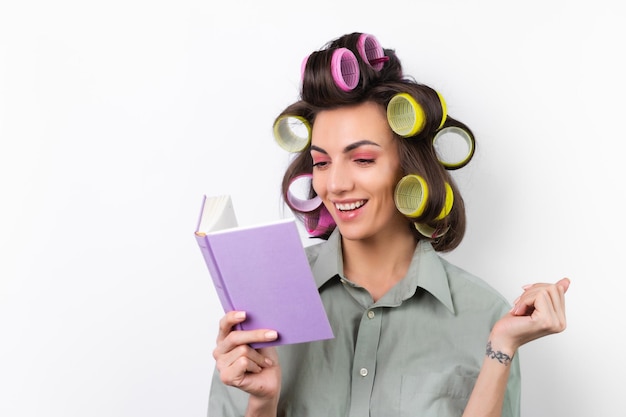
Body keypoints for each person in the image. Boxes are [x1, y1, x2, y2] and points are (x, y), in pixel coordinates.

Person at [208, 32, 569, 417]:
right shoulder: (266, 295)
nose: (336, 184)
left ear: (408, 168)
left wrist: (501, 347)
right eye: (321, 162)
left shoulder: (485, 317)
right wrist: (262, 403)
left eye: (362, 159)